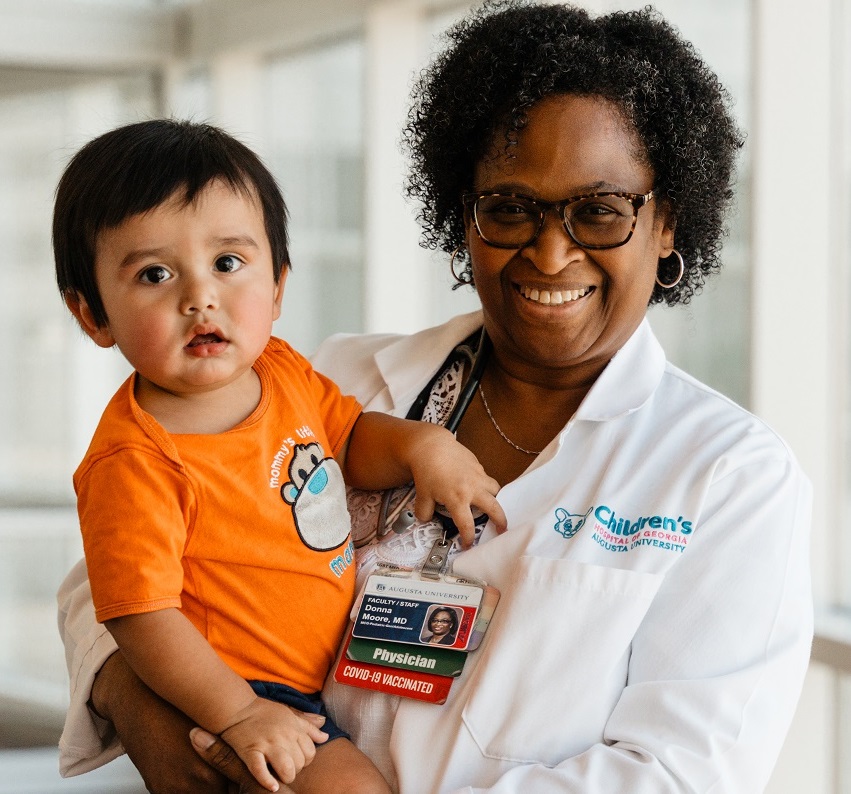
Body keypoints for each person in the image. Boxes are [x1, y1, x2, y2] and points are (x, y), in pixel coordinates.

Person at [57, 3, 813, 792]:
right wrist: (139, 708)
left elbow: (677, 775)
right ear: (464, 216)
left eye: (599, 211)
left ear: (666, 226)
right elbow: (114, 574)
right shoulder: (338, 381)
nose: (551, 252)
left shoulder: (728, 476)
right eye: (510, 208)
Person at [53, 119, 505, 793]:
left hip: (301, 690)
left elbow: (350, 441)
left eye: (228, 264)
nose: (198, 296)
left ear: (279, 284)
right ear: (92, 314)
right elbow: (138, 613)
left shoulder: (283, 371)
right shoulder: (134, 457)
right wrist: (237, 713)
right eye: (154, 274)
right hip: (236, 689)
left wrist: (422, 445)